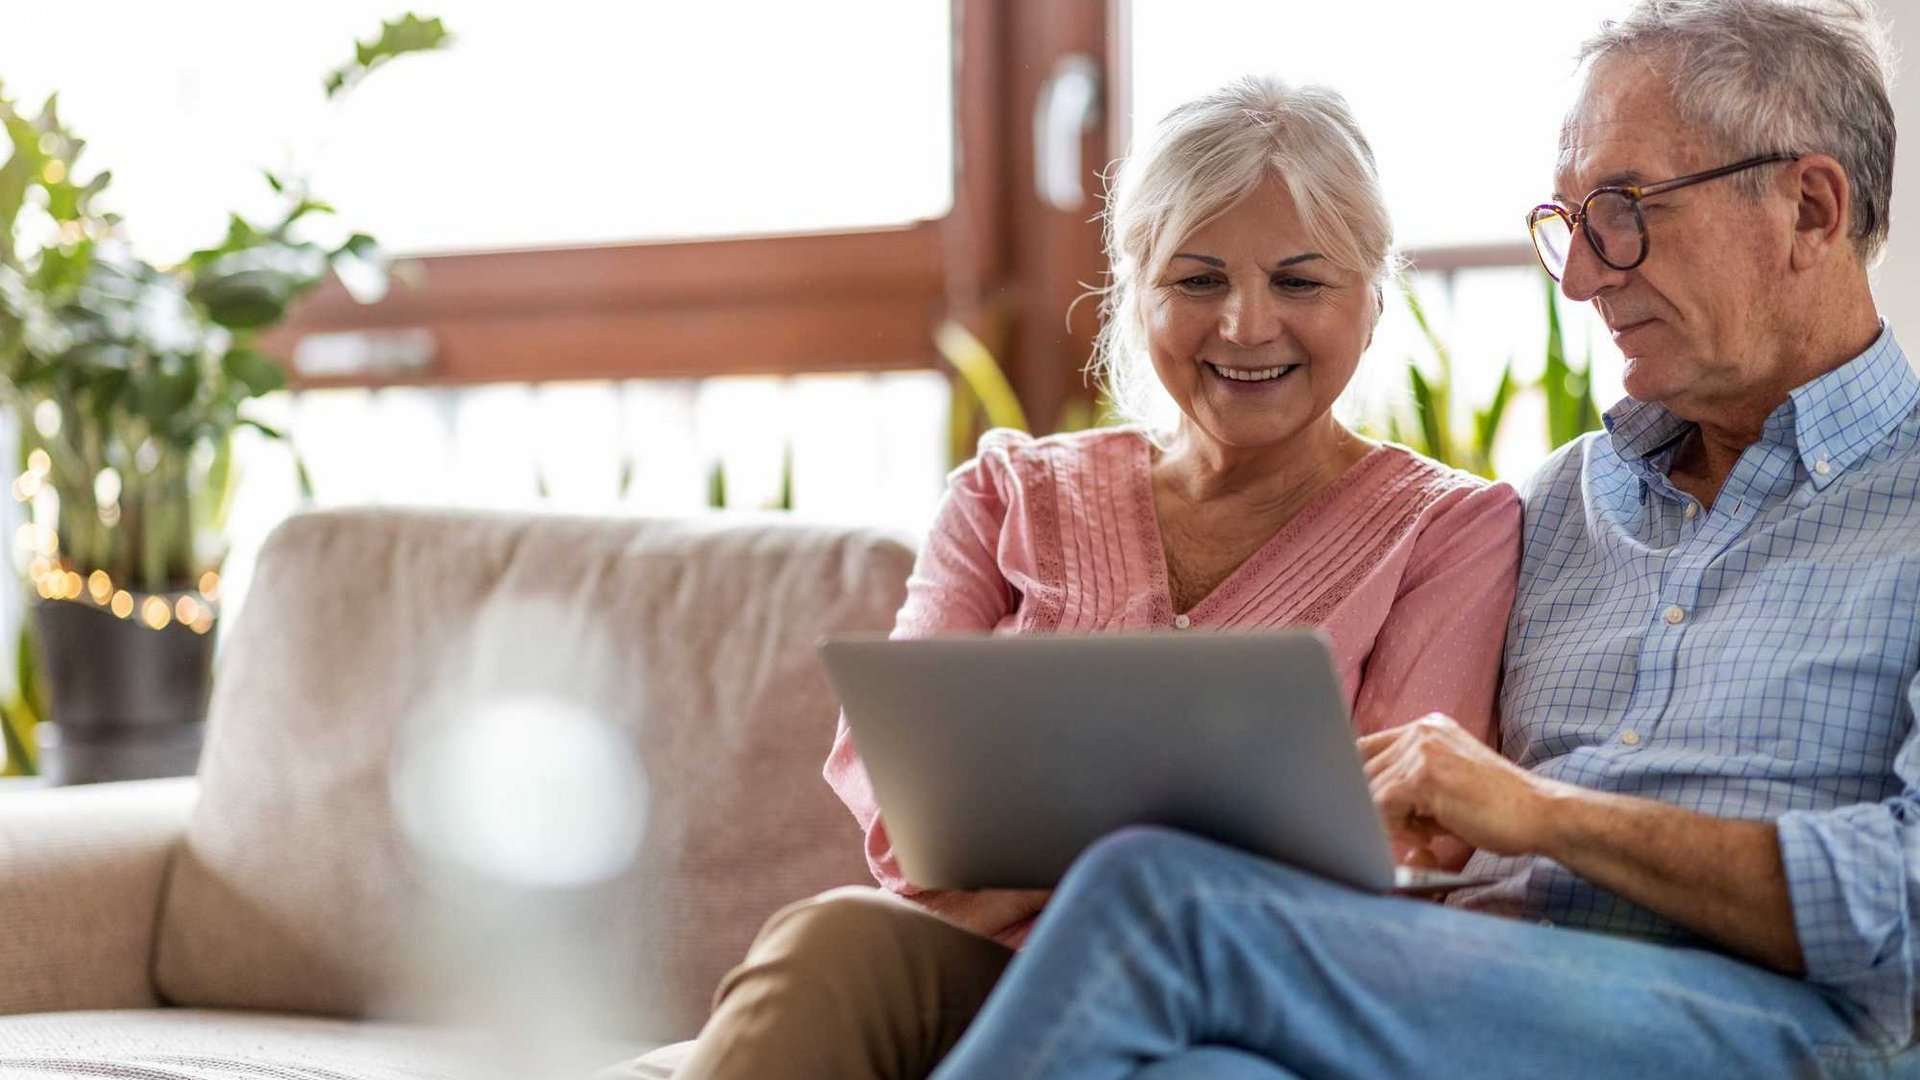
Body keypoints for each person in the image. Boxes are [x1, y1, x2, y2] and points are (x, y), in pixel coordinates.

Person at [926, 1, 1920, 1077]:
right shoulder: (1559, 505)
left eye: (1623, 212)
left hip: (1778, 1023)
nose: (1582, 278)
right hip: (1473, 992)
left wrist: (1544, 816)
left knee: (1160, 899)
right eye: (1571, 226)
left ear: (1810, 207)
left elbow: (1905, 902)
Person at [635, 76, 1522, 1080]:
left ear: (1371, 293)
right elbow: (910, 812)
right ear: (1134, 289)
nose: (1243, 324)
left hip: (1230, 1002)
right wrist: (1182, 830)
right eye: (1196, 281)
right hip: (977, 970)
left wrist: (1045, 859)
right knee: (837, 938)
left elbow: (1401, 844)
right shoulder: (1007, 491)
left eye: (1299, 281)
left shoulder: (1450, 528)